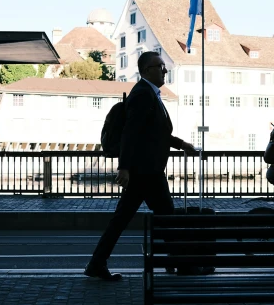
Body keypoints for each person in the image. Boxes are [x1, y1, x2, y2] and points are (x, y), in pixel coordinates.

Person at [85, 51, 201, 281]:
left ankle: (97, 263)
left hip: (145, 170)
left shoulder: (149, 94)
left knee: (125, 219)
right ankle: (180, 265)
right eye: (160, 66)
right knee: (166, 217)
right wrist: (124, 167)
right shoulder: (143, 95)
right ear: (147, 70)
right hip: (146, 171)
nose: (164, 70)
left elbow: (155, 133)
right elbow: (131, 133)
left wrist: (181, 144)